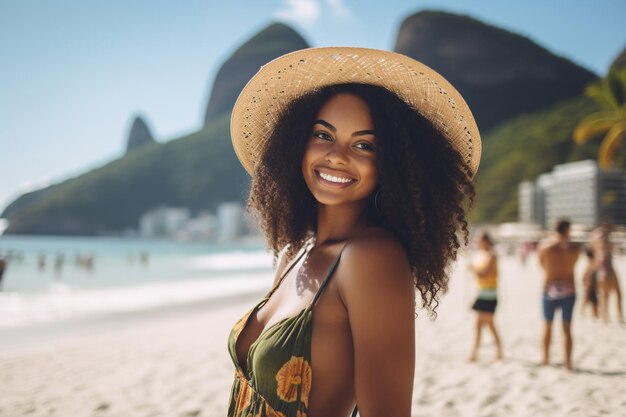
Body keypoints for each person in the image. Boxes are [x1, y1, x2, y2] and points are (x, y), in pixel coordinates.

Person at [226, 47, 480, 417]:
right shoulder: (293, 254)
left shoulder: (371, 258)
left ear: (390, 164)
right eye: (323, 135)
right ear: (297, 143)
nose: (338, 156)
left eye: (364, 145)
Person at [538, 219, 581, 370]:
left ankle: (545, 359)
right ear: (568, 230)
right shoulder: (574, 249)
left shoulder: (546, 247)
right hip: (569, 288)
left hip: (549, 287)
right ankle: (568, 363)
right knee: (566, 328)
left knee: (547, 325)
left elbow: (542, 265)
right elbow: (574, 262)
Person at [468, 232, 503, 362]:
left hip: (490, 295)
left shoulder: (492, 255)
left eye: (479, 241)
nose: (478, 243)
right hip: (482, 293)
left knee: (489, 324)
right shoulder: (482, 255)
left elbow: (484, 273)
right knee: (479, 325)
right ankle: (475, 353)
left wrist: (473, 269)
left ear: (486, 241)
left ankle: (498, 350)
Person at [590, 219, 624, 324]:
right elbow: (602, 256)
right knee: (608, 294)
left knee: (608, 294)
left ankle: (608, 316)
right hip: (606, 268)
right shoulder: (602, 238)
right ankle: (609, 316)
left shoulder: (597, 236)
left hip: (604, 268)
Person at [580, 247, 599, 318]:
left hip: (590, 282)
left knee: (591, 299)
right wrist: (588, 284)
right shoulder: (591, 262)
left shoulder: (589, 261)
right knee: (589, 298)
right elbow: (588, 274)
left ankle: (594, 313)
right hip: (590, 282)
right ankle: (592, 313)